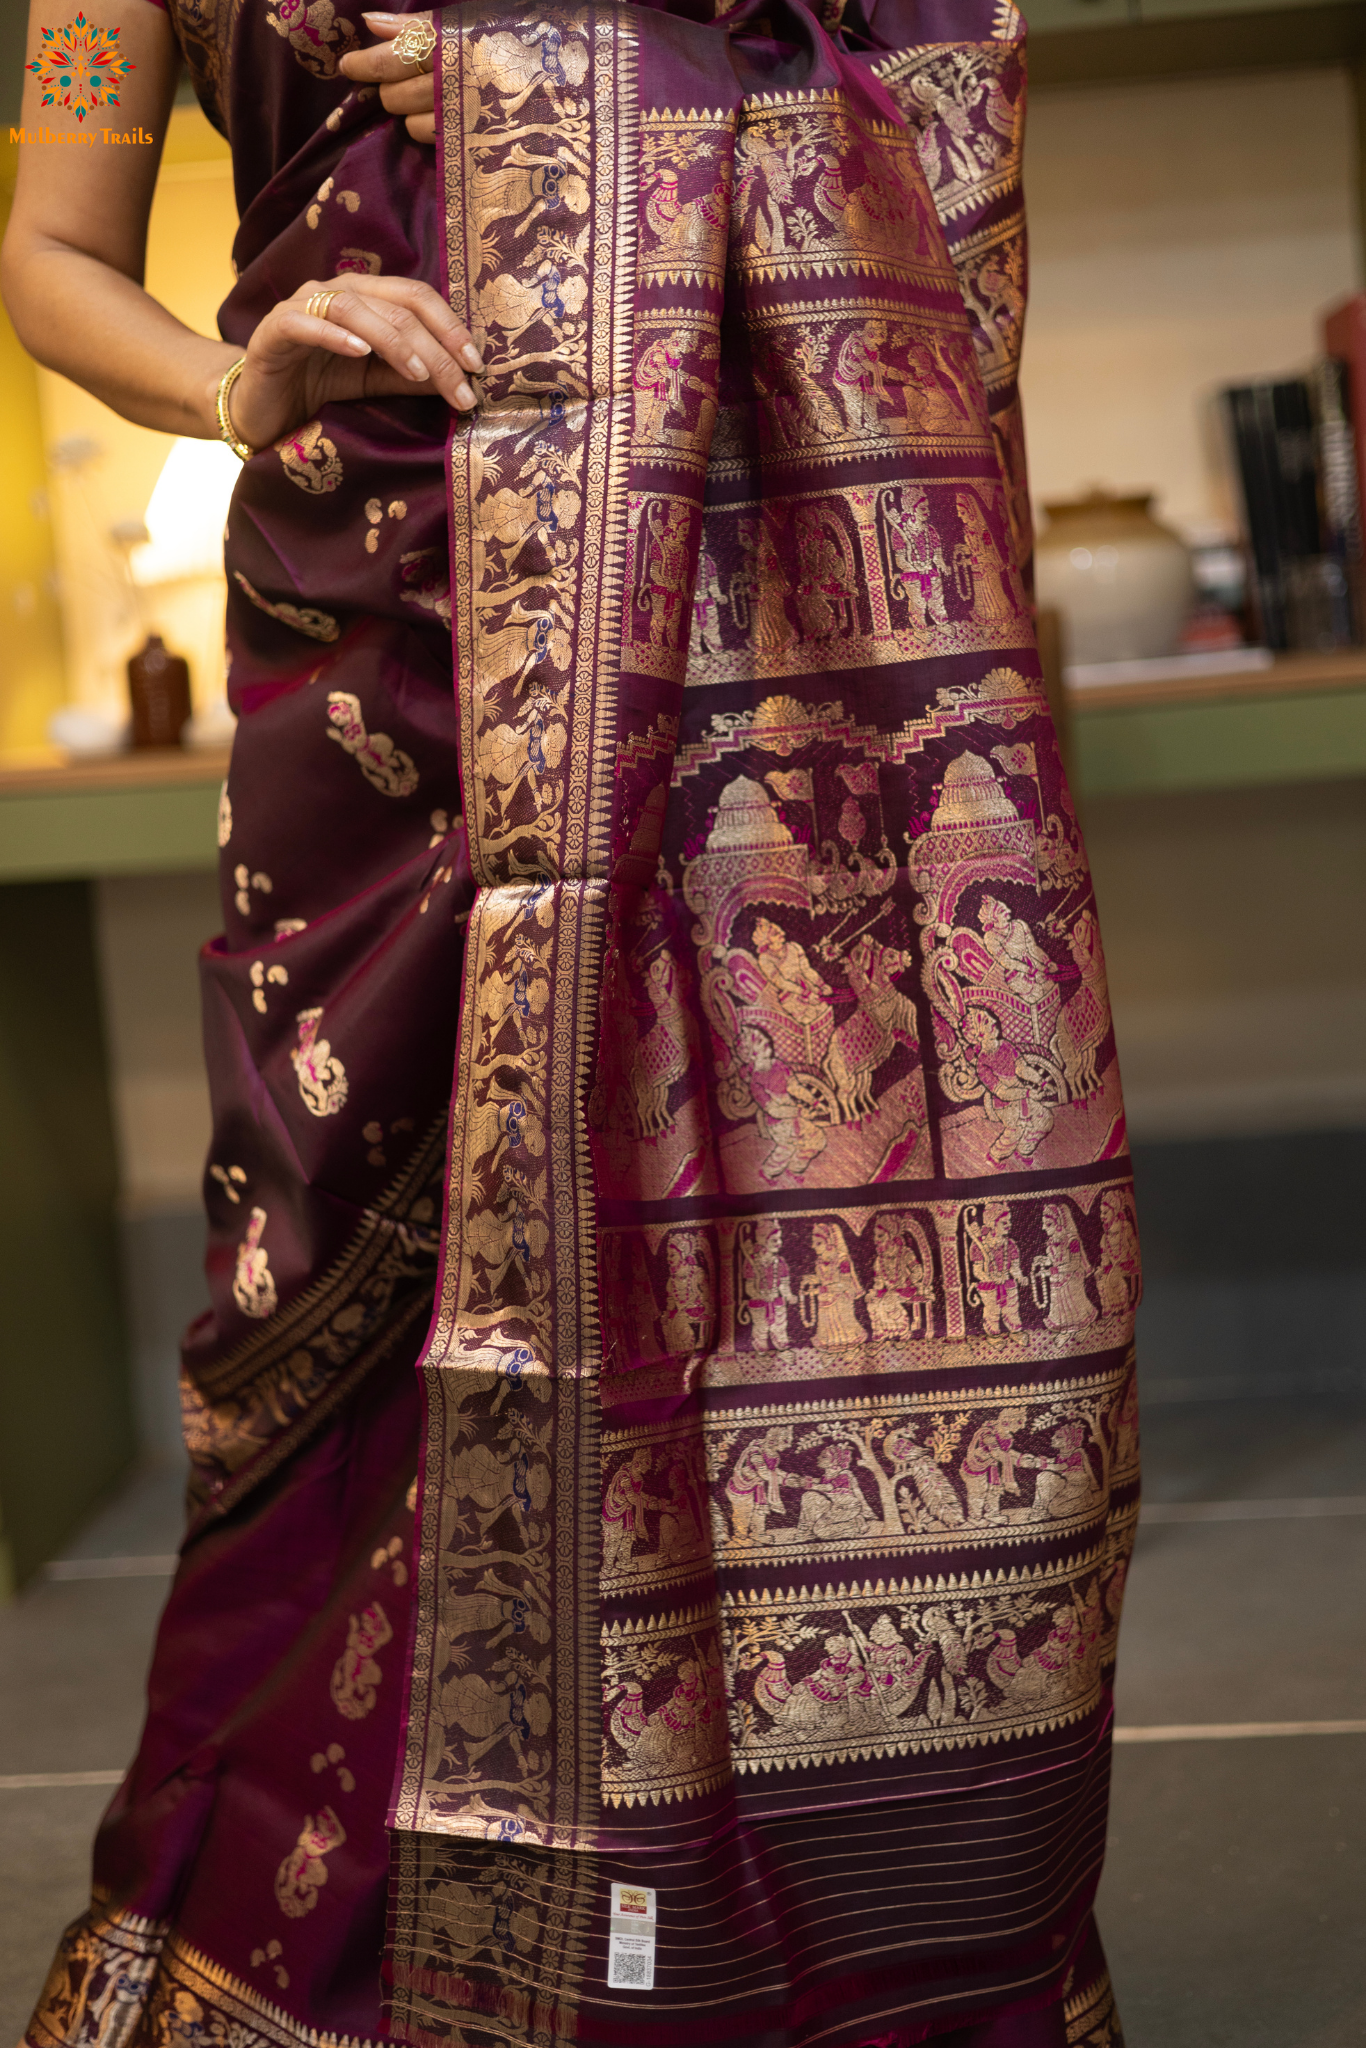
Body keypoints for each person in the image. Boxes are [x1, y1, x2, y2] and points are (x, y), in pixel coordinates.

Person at [5, 2, 1137, 2044]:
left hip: (737, 654)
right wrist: (233, 377)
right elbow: (51, 259)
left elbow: (929, 89)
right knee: (331, 1323)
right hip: (382, 646)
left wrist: (597, 91)